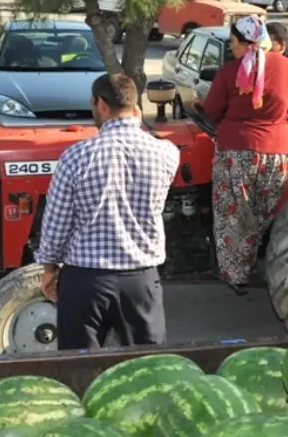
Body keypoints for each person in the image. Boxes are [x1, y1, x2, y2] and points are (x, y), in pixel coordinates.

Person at [35, 73, 180, 350]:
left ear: (100, 104)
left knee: (80, 369)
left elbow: (56, 224)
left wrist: (49, 268)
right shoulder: (167, 153)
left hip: (85, 282)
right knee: (148, 369)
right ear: (135, 106)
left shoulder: (75, 156)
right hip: (141, 280)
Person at [200, 15, 288, 294]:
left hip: (236, 154)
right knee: (267, 214)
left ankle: (236, 274)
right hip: (278, 154)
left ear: (241, 42)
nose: (231, 48)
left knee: (233, 215)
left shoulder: (230, 71)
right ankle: (264, 264)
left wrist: (199, 103)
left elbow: (212, 112)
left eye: (232, 43)